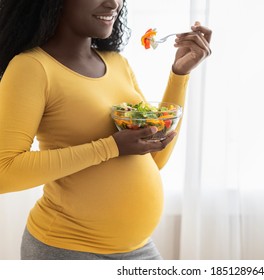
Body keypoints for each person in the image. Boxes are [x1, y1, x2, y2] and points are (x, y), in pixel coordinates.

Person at [0, 0, 211, 260]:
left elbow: (154, 158)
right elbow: (4, 172)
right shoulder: (32, 67)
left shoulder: (117, 63)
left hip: (139, 250)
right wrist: (111, 147)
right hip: (67, 250)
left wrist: (179, 74)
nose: (113, 3)